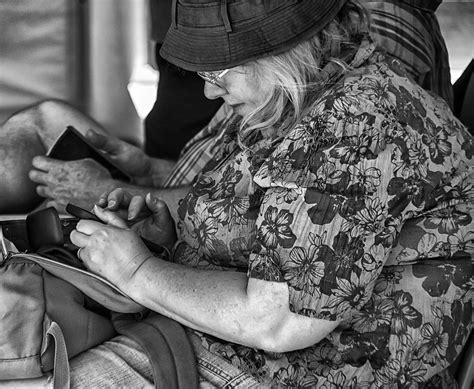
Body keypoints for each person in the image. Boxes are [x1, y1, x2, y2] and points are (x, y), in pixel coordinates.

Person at [7, 0, 466, 387]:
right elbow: (278, 215)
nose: (208, 91)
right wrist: (176, 231)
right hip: (211, 334)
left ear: (284, 51)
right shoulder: (292, 93)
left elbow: (280, 320)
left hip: (283, 369)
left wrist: (136, 269)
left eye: (220, 69)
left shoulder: (354, 124)